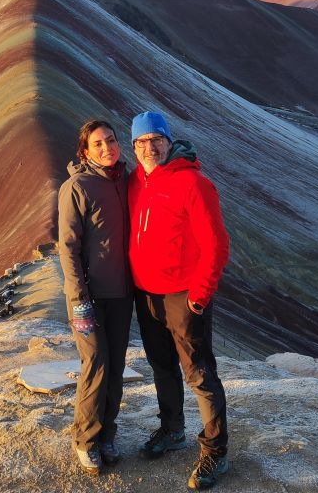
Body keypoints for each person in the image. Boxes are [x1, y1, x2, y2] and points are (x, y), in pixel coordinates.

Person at [128, 111, 230, 491]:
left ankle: (216, 452)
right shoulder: (137, 181)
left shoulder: (193, 183)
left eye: (156, 140)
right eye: (141, 142)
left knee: (199, 374)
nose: (149, 147)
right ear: (133, 146)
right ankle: (172, 431)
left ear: (169, 142)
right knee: (162, 367)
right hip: (147, 294)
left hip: (184, 295)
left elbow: (217, 245)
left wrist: (200, 297)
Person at [58, 119, 134, 475]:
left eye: (111, 140)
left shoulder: (125, 182)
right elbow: (68, 248)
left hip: (122, 293)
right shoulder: (77, 187)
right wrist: (78, 299)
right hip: (88, 296)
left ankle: (107, 434)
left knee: (116, 367)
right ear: (85, 152)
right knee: (96, 365)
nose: (107, 148)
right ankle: (84, 440)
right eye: (98, 144)